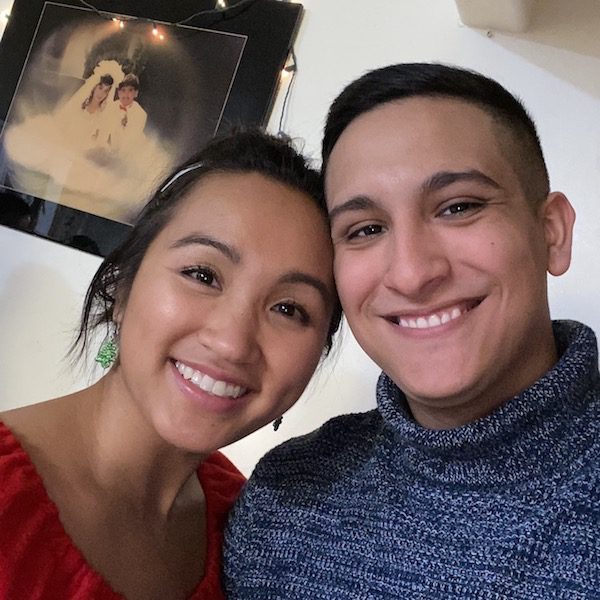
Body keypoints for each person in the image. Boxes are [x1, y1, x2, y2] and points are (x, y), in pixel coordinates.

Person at [224, 64, 600, 597]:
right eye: (366, 229)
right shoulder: (286, 495)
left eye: (459, 207)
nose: (412, 273)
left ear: (552, 233)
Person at [0, 129, 341, 599]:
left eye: (290, 309)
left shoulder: (256, 532)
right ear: (121, 288)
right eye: (202, 275)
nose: (231, 343)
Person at [106, 73, 148, 156]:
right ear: (118, 93)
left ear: (136, 93)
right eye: (123, 90)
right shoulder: (111, 107)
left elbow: (131, 139)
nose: (126, 94)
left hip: (130, 152)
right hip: (109, 149)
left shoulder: (140, 114)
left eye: (130, 90)